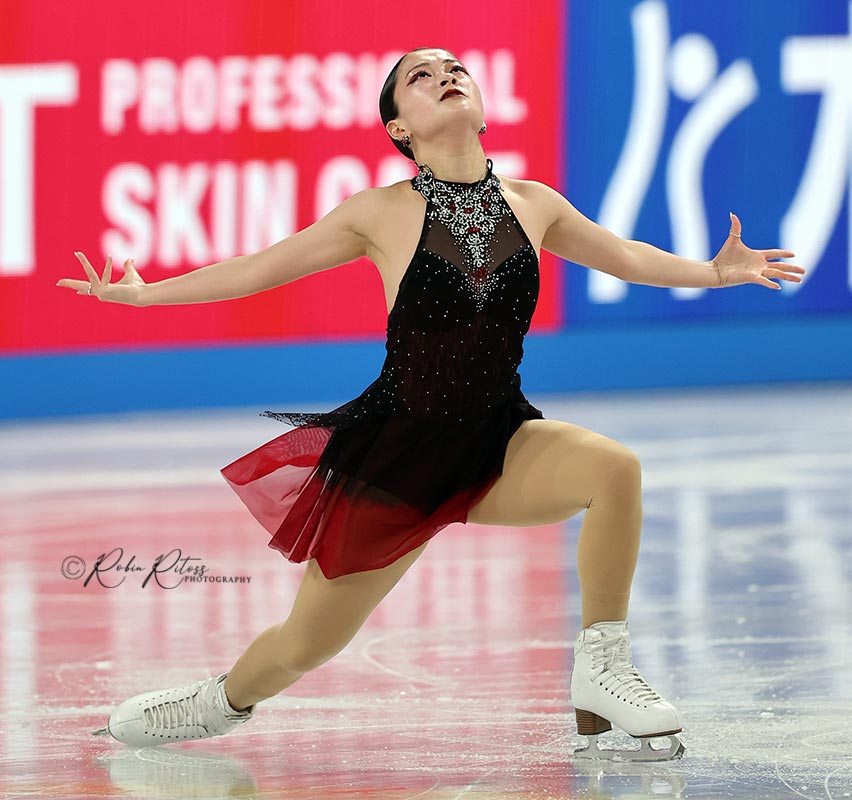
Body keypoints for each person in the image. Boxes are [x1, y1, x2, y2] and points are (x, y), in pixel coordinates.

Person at [57, 46, 804, 762]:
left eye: (455, 69)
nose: (445, 75)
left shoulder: (534, 204)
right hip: (398, 456)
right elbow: (261, 268)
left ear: (481, 104)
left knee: (614, 471)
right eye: (420, 76)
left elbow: (626, 256)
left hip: (496, 441)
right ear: (399, 127)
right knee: (304, 646)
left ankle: (601, 668)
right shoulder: (377, 213)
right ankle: (213, 702)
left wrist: (713, 273)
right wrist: (145, 296)